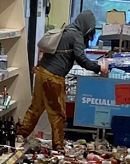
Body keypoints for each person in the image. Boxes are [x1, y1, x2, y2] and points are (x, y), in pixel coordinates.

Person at [18, 10, 109, 151]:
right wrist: (98, 68)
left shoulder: (67, 29)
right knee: (57, 113)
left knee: (36, 107)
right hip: (53, 77)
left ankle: (20, 135)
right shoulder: (76, 35)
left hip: (42, 71)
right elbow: (81, 58)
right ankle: (58, 146)